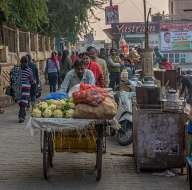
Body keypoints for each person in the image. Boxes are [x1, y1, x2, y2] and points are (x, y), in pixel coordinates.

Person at [18, 56, 34, 123]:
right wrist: (34, 82)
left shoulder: (18, 69)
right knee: (24, 103)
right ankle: (22, 117)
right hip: (26, 88)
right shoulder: (29, 70)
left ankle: (21, 116)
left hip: (18, 88)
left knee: (21, 102)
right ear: (27, 62)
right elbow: (31, 80)